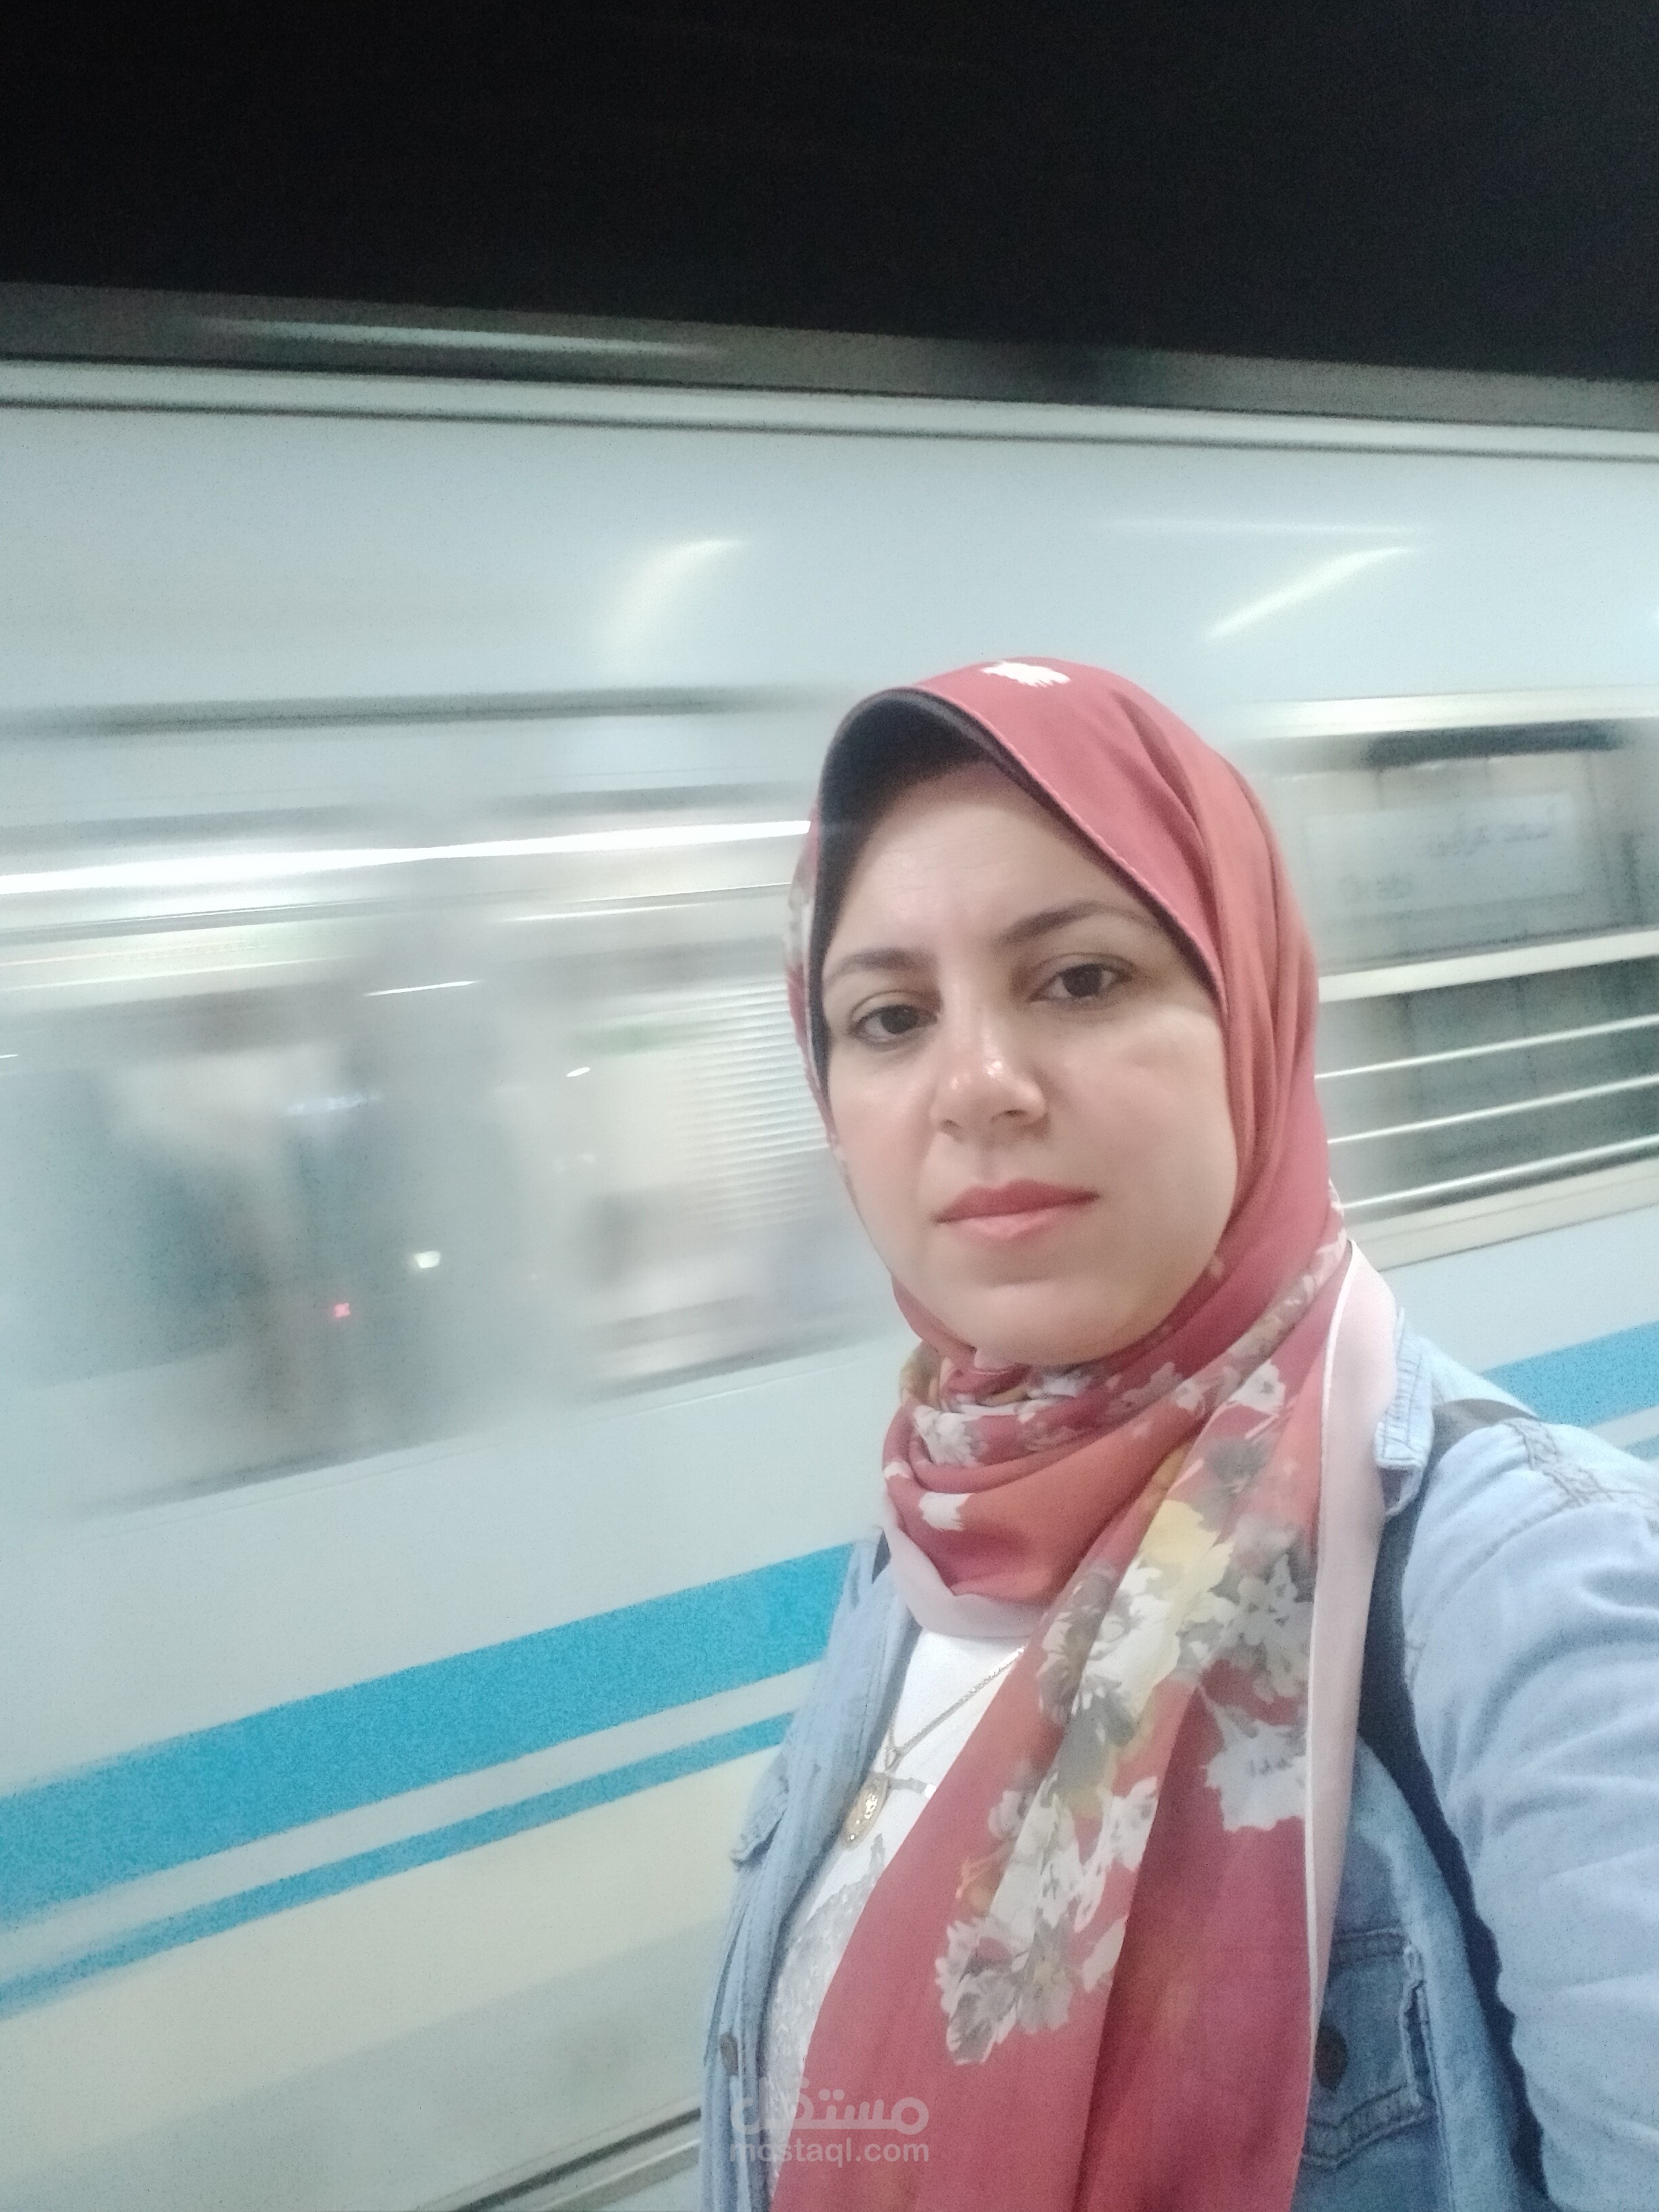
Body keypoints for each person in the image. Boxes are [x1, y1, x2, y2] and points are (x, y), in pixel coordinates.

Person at [701, 661, 1659, 2212]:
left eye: (1081, 980)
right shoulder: (921, 1555)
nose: (978, 1086)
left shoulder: (1534, 1601)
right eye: (889, 1017)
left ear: (1252, 1015)